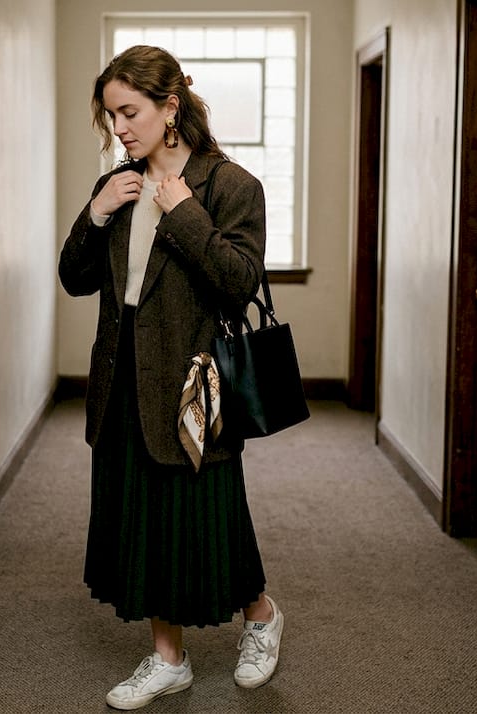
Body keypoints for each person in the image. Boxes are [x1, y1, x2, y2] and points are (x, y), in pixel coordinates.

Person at [59, 45, 285, 710]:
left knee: (210, 515)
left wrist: (184, 212)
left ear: (170, 107)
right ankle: (168, 659)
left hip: (195, 381)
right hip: (122, 375)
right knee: (145, 515)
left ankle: (262, 615)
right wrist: (97, 212)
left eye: (130, 112)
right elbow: (74, 278)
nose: (120, 128)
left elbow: (239, 282)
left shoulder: (231, 186)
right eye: (112, 116)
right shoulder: (119, 185)